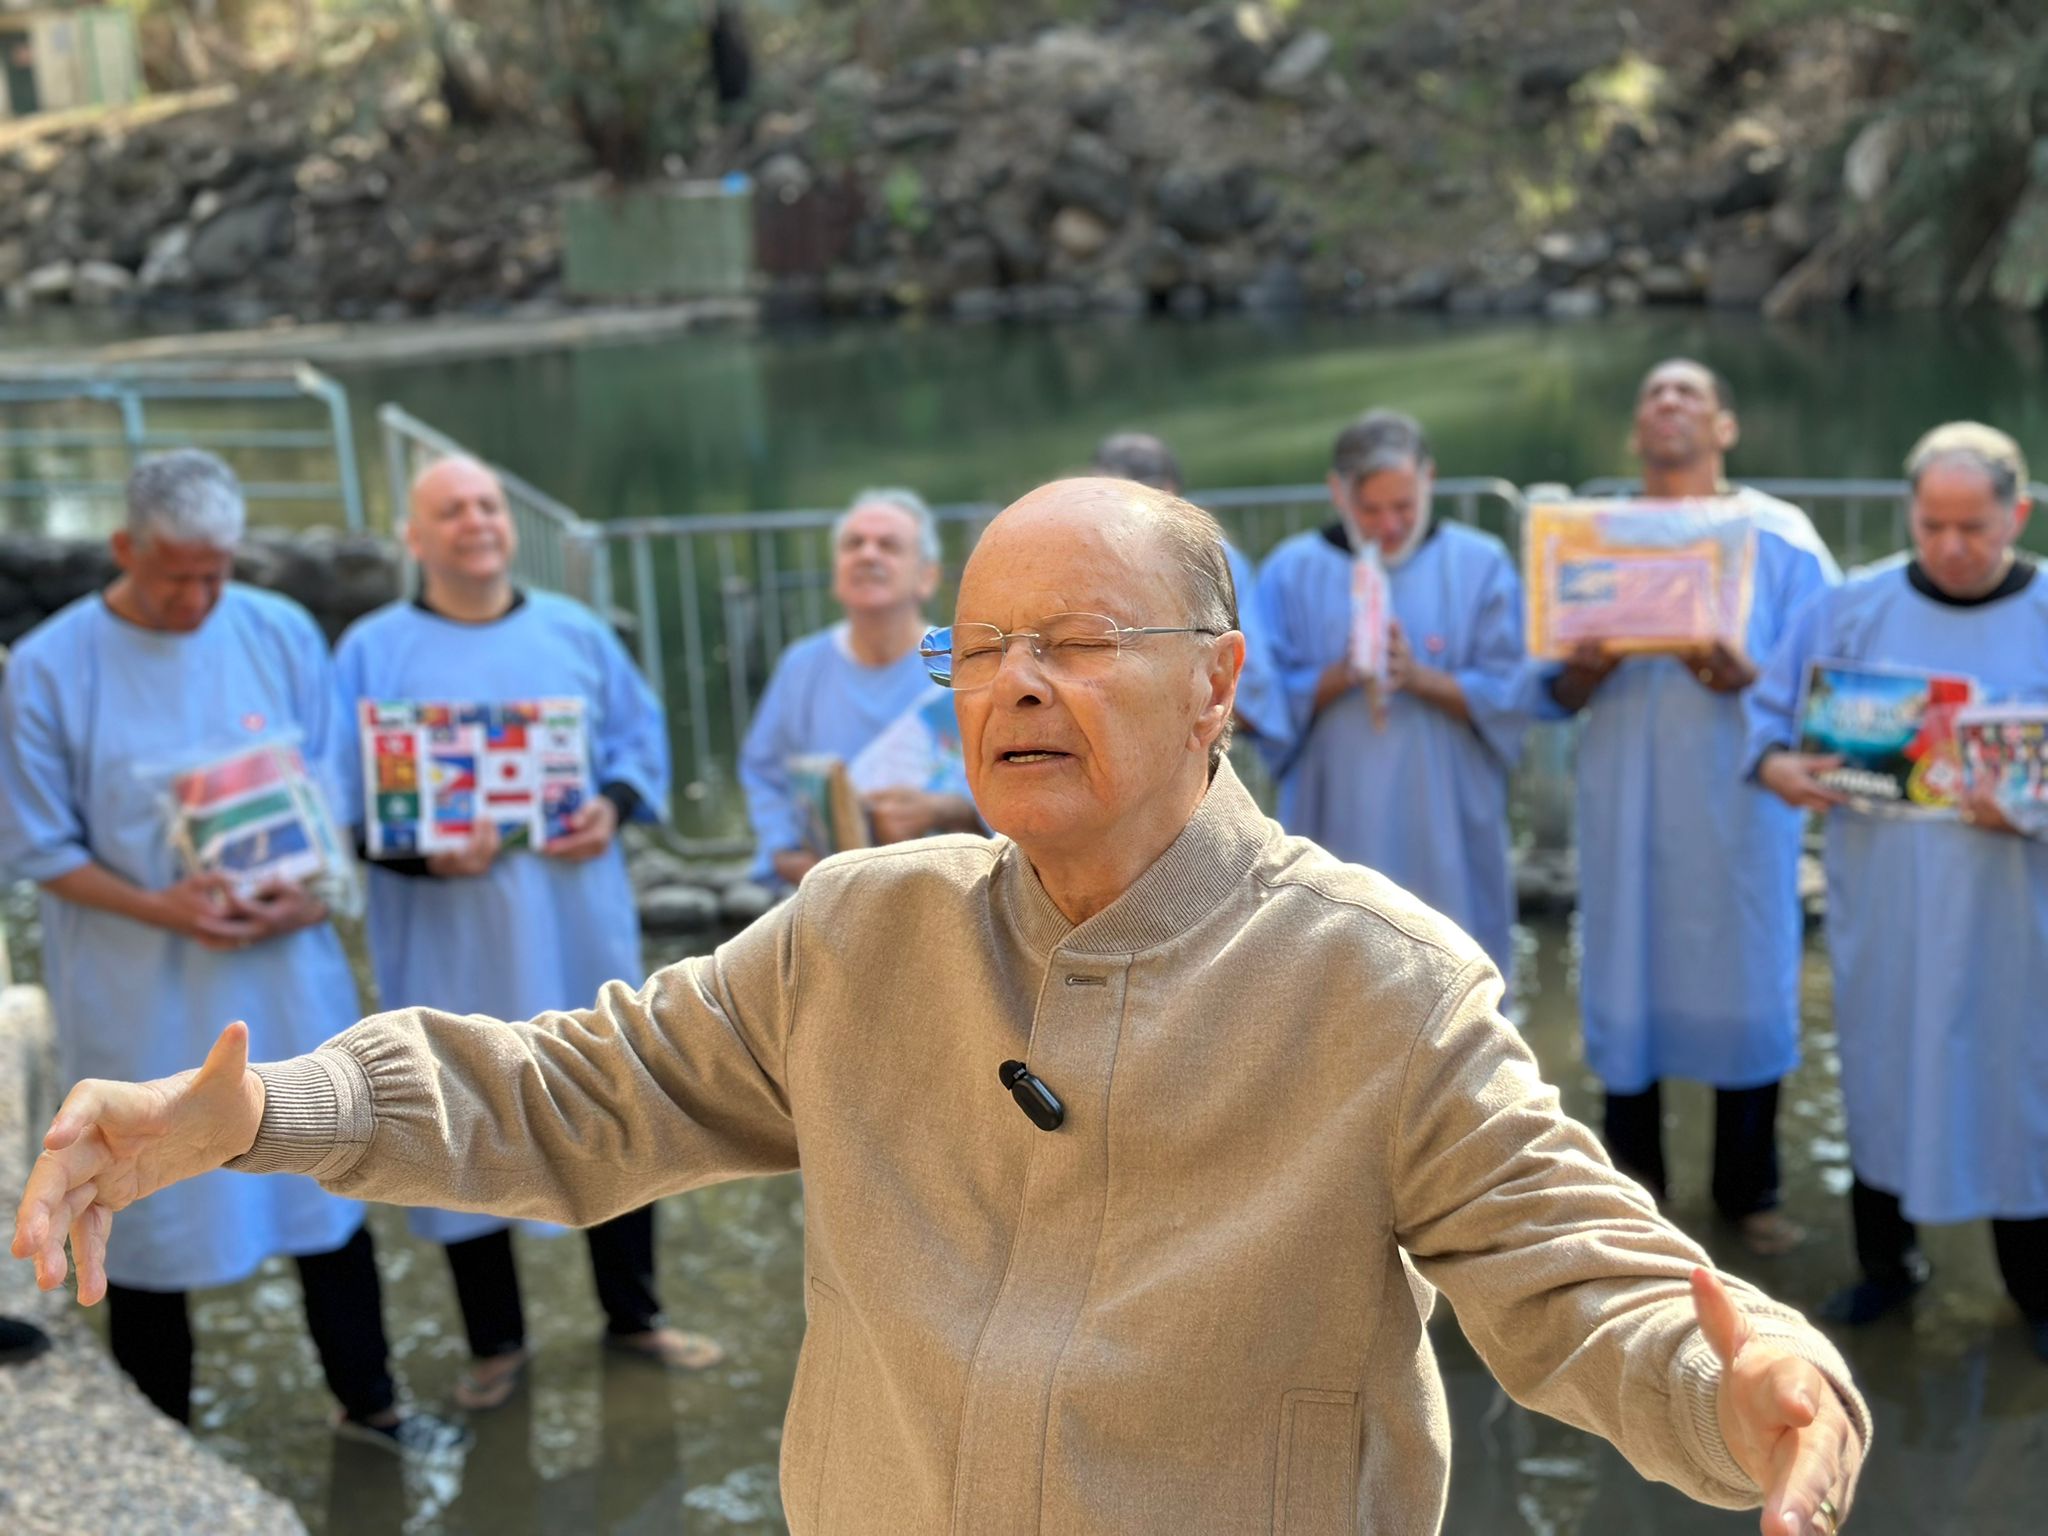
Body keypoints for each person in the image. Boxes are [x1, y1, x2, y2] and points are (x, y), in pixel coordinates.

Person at [16, 478, 1870, 1536]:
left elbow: (1582, 1283)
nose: (1010, 687)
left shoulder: (1375, 984)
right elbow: (570, 1094)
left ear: (1219, 680)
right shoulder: (862, 933)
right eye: (973, 649)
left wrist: (1754, 1392)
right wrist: (258, 1113)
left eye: (1073, 642)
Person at [0, 450, 452, 1452]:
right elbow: (38, 844)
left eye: (218, 573)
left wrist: (306, 890)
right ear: (124, 549)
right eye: (177, 577)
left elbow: (332, 785)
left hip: (282, 971)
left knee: (326, 1173)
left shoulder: (280, 630)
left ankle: (371, 1400)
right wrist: (168, 908)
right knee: (148, 1205)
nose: (201, 597)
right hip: (137, 980)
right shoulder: (49, 666)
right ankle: (163, 1436)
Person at [335, 455, 721, 1410]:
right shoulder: (372, 652)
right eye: (450, 510)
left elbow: (639, 741)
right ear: (414, 539)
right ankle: (495, 1342)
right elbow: (337, 794)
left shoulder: (575, 633)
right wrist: (421, 853)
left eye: (488, 504)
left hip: (571, 919)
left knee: (610, 1098)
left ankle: (634, 1315)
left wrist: (613, 805)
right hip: (447, 928)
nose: (476, 522)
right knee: (458, 1112)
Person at [1748, 422, 2048, 1357]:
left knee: (2019, 1082)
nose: (1953, 548)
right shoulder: (1852, 608)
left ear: (2018, 514)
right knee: (1882, 1067)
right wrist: (1779, 767)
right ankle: (1887, 1264)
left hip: (2015, 909)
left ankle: (2034, 1286)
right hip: (1889, 900)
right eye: (1933, 527)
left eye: (1974, 527)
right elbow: (1767, 719)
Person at [1539, 360, 1839, 1255]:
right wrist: (1587, 666)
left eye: (1689, 395)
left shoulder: (1780, 538)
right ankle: (1637, 1192)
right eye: (1653, 397)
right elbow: (1548, 686)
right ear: (1636, 432)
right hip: (1626, 796)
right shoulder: (1590, 537)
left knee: (1746, 979)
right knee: (1627, 975)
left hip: (1735, 804)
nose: (1668, 406)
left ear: (1725, 428)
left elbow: (1821, 682)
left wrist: (1733, 671)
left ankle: (1751, 1193)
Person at [1258, 410, 1531, 980]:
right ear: (1337, 492)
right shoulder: (1291, 570)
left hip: (1445, 812)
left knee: (1453, 968)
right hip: (1335, 808)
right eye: (1371, 510)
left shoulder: (1480, 563)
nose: (1389, 525)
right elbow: (1260, 701)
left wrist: (1419, 676)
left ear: (1429, 479)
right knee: (1335, 973)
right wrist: (1342, 673)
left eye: (1403, 507)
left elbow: (1513, 689)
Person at [739, 488, 979, 888]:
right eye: (854, 544)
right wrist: (784, 850)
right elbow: (763, 773)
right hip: (830, 894)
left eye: (888, 545)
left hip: (951, 890)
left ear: (927, 577)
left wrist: (947, 809)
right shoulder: (801, 665)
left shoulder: (965, 662)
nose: (868, 554)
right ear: (836, 573)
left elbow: (1016, 773)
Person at [1090, 431, 1289, 748]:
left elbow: (1249, 678)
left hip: (1188, 742)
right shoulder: (1079, 554)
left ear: (1169, 494)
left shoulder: (1214, 557)